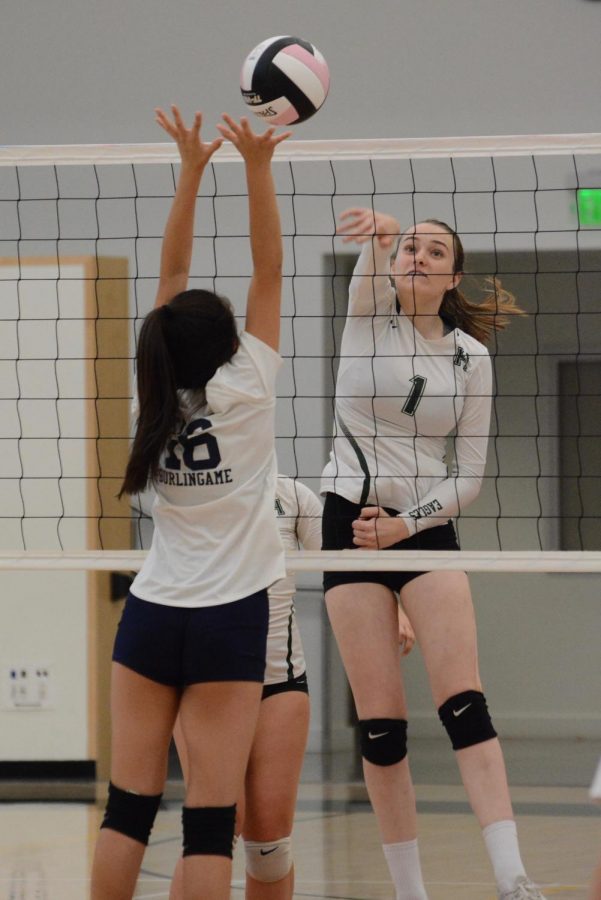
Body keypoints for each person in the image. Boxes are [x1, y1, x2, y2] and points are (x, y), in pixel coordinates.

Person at [90, 106, 290, 900]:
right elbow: (270, 270)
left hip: (152, 610)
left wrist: (194, 168)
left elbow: (169, 282)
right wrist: (259, 165)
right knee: (210, 819)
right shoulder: (248, 387)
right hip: (228, 615)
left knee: (128, 809)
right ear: (228, 344)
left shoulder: (153, 395)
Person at [321, 207, 546, 900]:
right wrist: (382, 234)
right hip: (348, 524)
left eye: (434, 250)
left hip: (423, 528)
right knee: (382, 728)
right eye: (410, 247)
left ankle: (512, 877)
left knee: (464, 706)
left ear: (451, 275)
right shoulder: (365, 317)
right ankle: (409, 893)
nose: (417, 257)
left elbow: (468, 477)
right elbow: (372, 262)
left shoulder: (470, 359)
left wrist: (405, 526)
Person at [170, 475, 327, 900]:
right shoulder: (187, 488)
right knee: (217, 825)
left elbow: (345, 570)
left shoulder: (293, 496)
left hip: (279, 681)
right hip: (205, 683)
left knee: (270, 847)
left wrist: (397, 608)